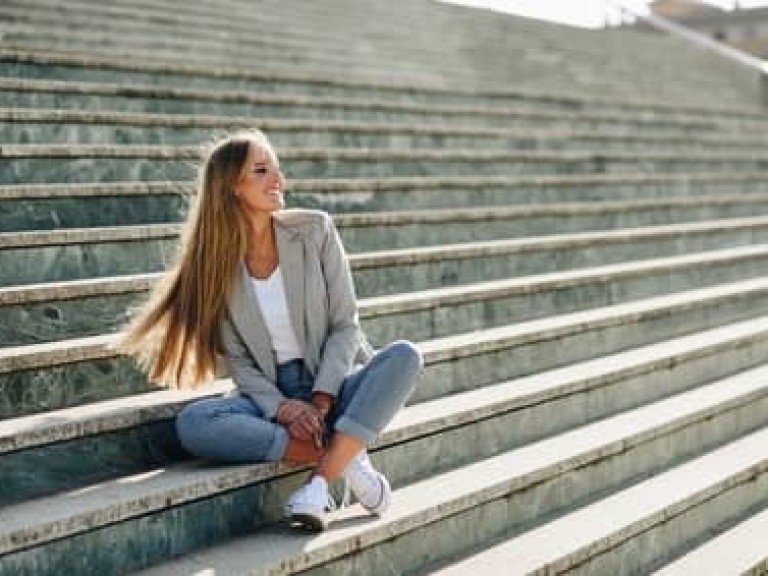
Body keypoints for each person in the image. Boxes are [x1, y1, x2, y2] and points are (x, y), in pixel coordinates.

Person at [121, 129, 423, 531]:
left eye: (277, 170)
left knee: (405, 357)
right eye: (262, 172)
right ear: (232, 188)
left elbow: (345, 327)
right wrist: (281, 407)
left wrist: (320, 401)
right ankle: (345, 457)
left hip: (333, 381)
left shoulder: (315, 231)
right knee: (194, 423)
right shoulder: (216, 268)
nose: (278, 181)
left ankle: (319, 485)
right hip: (270, 393)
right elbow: (240, 361)